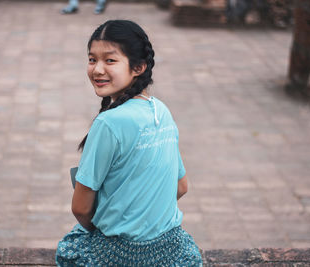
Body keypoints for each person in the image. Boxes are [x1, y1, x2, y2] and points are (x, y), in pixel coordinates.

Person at [56, 20, 203, 266]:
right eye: (92, 59)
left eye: (110, 60)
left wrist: (116, 228)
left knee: (69, 249)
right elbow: (181, 186)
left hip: (117, 253)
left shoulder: (108, 124)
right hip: (171, 250)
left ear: (138, 67)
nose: (97, 69)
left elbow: (81, 209)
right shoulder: (161, 111)